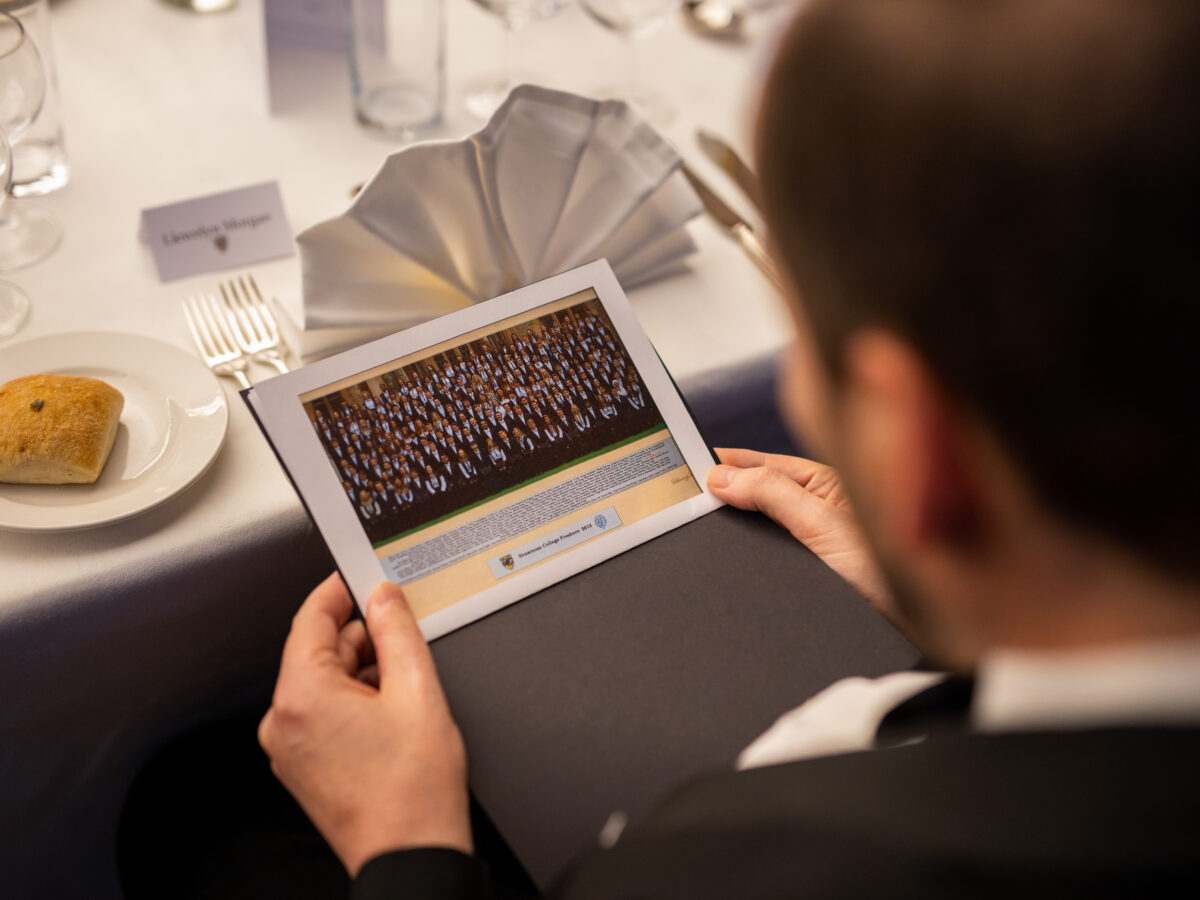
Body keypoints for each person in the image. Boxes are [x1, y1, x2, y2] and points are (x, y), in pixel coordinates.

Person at [122, 1, 1200, 897]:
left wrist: (406, 849)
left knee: (191, 801)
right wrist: (948, 619)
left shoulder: (717, 874)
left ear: (922, 455)